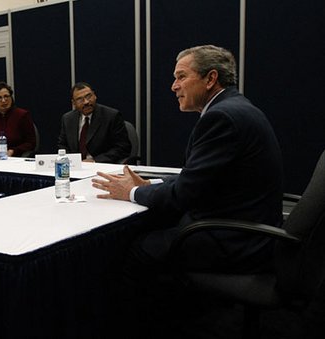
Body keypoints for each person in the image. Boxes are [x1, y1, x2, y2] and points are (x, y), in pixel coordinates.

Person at [92, 45, 284, 336]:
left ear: (210, 79)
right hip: (250, 225)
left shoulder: (220, 118)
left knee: (137, 249)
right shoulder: (236, 108)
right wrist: (150, 185)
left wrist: (129, 193)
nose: (173, 86)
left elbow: (183, 195)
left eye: (181, 76)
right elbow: (199, 179)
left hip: (236, 240)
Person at [58, 82, 131, 163]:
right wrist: (72, 162)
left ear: (94, 96)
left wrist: (94, 161)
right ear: (74, 103)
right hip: (76, 168)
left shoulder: (111, 116)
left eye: (88, 96)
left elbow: (123, 147)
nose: (86, 102)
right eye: (80, 99)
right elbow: (62, 146)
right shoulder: (68, 119)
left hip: (102, 166)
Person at [0, 82, 36, 157]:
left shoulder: (22, 115)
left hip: (14, 158)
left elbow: (31, 143)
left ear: (11, 98)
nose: (3, 101)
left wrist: (13, 151)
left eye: (6, 96)